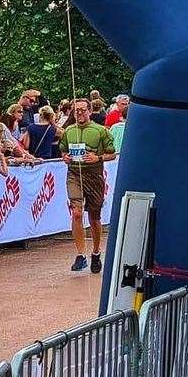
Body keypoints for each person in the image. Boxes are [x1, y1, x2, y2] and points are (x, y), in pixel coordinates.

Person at [61, 98, 117, 274]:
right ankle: (80, 255)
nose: (79, 113)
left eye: (83, 110)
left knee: (94, 217)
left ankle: (96, 252)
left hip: (94, 176)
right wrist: (65, 157)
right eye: (76, 110)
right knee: (76, 213)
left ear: (90, 111)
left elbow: (112, 154)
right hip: (74, 175)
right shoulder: (69, 130)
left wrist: (98, 158)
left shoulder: (101, 131)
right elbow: (63, 150)